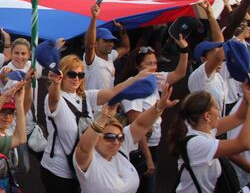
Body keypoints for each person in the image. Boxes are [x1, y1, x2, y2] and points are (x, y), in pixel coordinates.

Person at [40, 54, 151, 193]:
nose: (76, 79)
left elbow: (112, 92)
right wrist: (55, 84)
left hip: (83, 166)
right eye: (72, 74)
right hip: (59, 171)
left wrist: (136, 79)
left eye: (80, 75)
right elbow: (53, 98)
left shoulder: (85, 96)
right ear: (62, 74)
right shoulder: (55, 99)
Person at [73, 85, 179, 193]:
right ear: (97, 138)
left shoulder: (121, 149)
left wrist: (159, 107)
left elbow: (140, 125)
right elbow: (84, 147)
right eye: (109, 137)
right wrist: (103, 118)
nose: (116, 142)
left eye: (120, 137)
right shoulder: (88, 160)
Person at [122, 36, 190, 193]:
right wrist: (148, 159)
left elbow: (179, 73)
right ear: (138, 66)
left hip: (153, 144)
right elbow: (137, 127)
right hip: (139, 149)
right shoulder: (133, 86)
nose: (153, 67)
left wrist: (184, 49)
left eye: (155, 63)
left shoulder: (153, 79)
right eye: (148, 64)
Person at [169, 88, 250, 193]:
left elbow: (239, 117)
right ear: (207, 116)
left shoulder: (202, 130)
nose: (219, 111)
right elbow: (243, 143)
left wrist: (246, 97)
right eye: (216, 107)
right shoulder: (197, 144)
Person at [84, 3, 130, 91]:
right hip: (92, 104)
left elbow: (126, 47)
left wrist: (122, 30)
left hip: (106, 103)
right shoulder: (91, 60)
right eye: (105, 41)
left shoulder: (110, 56)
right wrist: (94, 19)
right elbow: (89, 45)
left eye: (111, 41)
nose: (110, 44)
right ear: (95, 43)